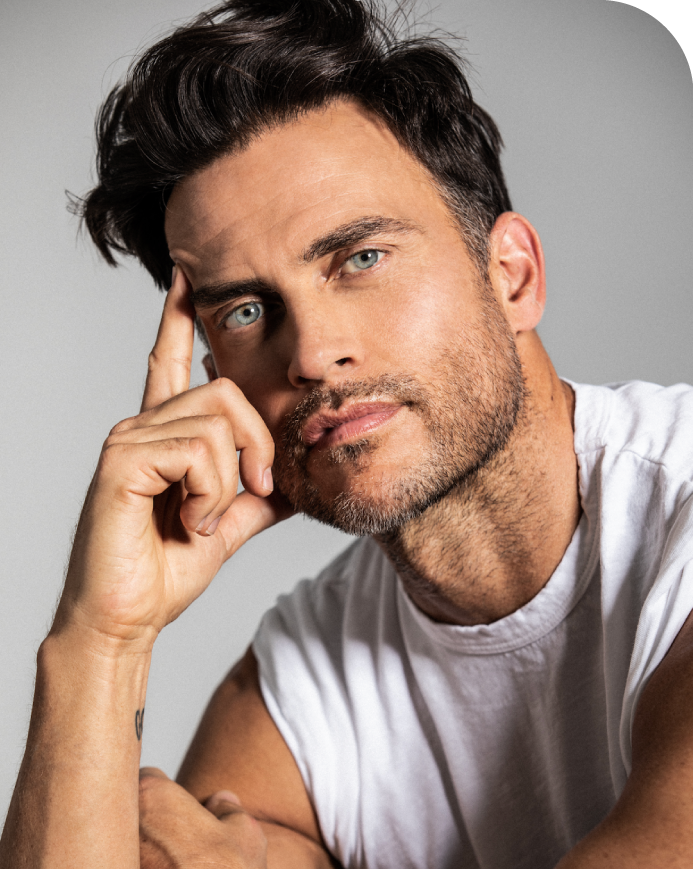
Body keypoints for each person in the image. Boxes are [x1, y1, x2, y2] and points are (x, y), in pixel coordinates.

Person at [3, 0, 693, 867]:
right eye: (248, 310)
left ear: (511, 276)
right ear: (222, 387)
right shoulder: (302, 680)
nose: (313, 354)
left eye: (358, 258)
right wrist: (102, 638)